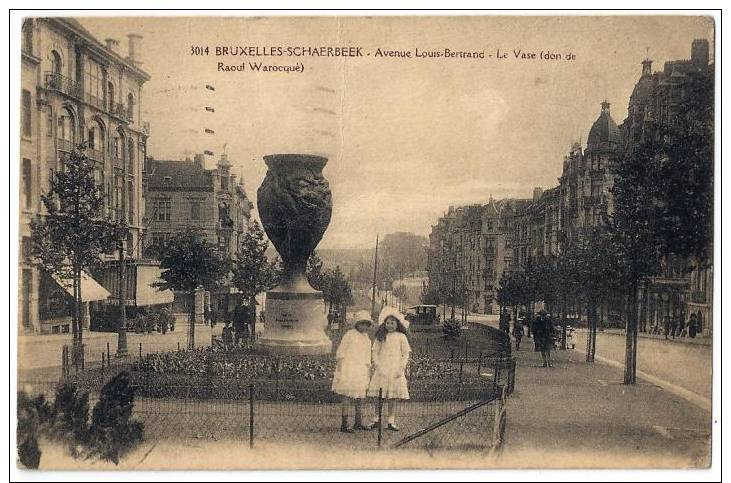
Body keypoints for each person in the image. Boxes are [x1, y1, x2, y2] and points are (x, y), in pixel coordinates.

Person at [367, 306, 412, 432]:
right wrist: (377, 365)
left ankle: (391, 421)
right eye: (388, 323)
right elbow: (375, 352)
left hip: (395, 370)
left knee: (392, 397)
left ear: (397, 324)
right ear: (384, 324)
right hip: (382, 369)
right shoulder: (381, 336)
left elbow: (405, 353)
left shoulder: (401, 337)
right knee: (378, 396)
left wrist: (401, 368)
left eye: (393, 323)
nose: (390, 325)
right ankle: (376, 419)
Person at [332, 310, 374, 433]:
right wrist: (340, 368)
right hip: (349, 368)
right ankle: (344, 424)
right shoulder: (350, 335)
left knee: (360, 397)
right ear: (356, 324)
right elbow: (341, 352)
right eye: (362, 323)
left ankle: (358, 422)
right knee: (347, 395)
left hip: (361, 370)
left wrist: (368, 369)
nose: (364, 326)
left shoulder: (367, 338)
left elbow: (367, 355)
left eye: (367, 324)